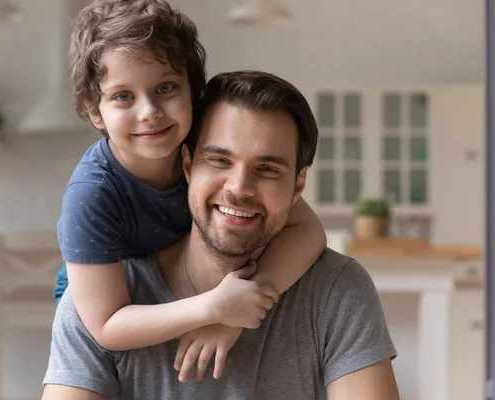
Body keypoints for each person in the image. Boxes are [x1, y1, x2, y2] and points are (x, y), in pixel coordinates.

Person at [42, 70, 399, 400]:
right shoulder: (97, 300)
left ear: (298, 185)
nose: (239, 188)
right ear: (187, 165)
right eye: (219, 160)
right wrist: (214, 311)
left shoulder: (336, 290)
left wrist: (234, 313)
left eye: (268, 169)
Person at [53, 0, 327, 373]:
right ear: (92, 109)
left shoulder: (209, 156)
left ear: (193, 91)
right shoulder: (92, 195)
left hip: (190, 289)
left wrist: (236, 310)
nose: (149, 111)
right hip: (108, 308)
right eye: (123, 96)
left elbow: (308, 229)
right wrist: (214, 307)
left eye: (165, 87)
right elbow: (105, 325)